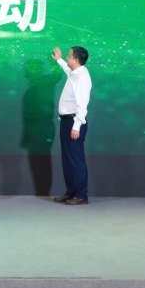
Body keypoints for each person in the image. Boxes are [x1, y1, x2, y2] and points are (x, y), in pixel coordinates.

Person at [50, 46, 92, 205]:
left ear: (76, 60)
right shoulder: (75, 73)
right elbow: (68, 70)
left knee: (75, 160)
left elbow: (82, 106)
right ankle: (71, 192)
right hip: (67, 121)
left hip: (74, 123)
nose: (67, 58)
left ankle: (81, 194)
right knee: (68, 160)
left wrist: (76, 126)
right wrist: (59, 60)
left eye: (69, 56)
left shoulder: (81, 78)